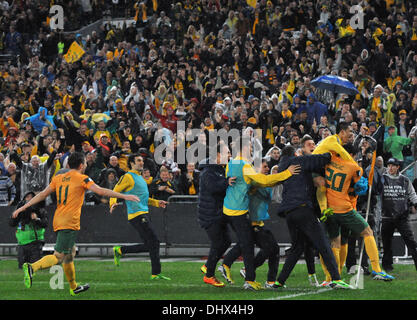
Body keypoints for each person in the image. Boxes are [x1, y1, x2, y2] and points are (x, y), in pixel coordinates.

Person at [11, 152, 140, 296]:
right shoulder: (82, 178)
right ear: (81, 165)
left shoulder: (58, 178)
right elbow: (100, 190)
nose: (85, 165)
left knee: (70, 253)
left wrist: (22, 207)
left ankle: (74, 287)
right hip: (69, 221)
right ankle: (32, 267)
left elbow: (42, 194)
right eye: (85, 163)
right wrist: (123, 195)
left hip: (58, 219)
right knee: (59, 256)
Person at [223, 136, 301, 290]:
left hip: (231, 210)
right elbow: (264, 181)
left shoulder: (231, 163)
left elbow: (233, 179)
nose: (251, 151)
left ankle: (241, 272)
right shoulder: (246, 167)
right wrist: (287, 173)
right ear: (243, 148)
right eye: (250, 148)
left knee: (251, 245)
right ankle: (246, 277)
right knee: (250, 246)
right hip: (241, 213)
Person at [274, 145, 351, 289]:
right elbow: (322, 159)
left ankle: (279, 281)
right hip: (302, 209)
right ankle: (336, 278)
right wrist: (331, 150)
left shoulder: (282, 167)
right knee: (323, 243)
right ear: (295, 154)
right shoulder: (298, 161)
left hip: (289, 213)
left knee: (297, 248)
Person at [320, 148, 395, 282]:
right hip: (344, 208)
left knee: (337, 242)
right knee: (368, 231)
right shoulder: (352, 166)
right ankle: (377, 269)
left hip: (329, 209)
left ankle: (333, 277)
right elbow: (361, 187)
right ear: (352, 155)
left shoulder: (329, 161)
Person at [220, 159, 280, 289]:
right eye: (264, 167)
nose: (267, 169)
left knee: (249, 245)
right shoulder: (252, 182)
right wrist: (277, 178)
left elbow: (266, 194)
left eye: (267, 167)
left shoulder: (259, 182)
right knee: (269, 248)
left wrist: (272, 179)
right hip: (252, 223)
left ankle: (228, 264)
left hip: (259, 222)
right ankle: (252, 274)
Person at [109, 154, 170, 280]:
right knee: (154, 242)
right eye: (138, 161)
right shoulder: (128, 177)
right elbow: (115, 190)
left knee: (151, 244)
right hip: (136, 215)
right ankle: (155, 273)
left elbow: (143, 198)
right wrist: (113, 202)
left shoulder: (140, 178)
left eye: (142, 161)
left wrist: (157, 203)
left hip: (143, 213)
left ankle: (120, 250)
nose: (141, 163)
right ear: (131, 163)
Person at [198, 142, 235, 287]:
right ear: (218, 155)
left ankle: (208, 266)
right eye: (227, 153)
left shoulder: (218, 170)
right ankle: (209, 275)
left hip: (217, 214)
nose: (230, 155)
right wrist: (227, 182)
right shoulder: (208, 172)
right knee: (218, 243)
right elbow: (213, 188)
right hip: (210, 215)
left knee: (226, 242)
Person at [380, 157, 417, 272]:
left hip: (402, 217)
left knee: (411, 241)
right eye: (389, 165)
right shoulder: (382, 179)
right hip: (386, 216)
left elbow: (412, 193)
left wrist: (416, 203)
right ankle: (387, 266)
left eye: (393, 166)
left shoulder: (405, 180)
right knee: (386, 243)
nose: (390, 168)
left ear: (398, 167)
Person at [9, 191, 48, 269]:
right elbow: (11, 223)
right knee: (22, 268)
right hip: (22, 244)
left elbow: (45, 224)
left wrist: (36, 219)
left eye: (31, 197)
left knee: (35, 267)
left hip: (35, 243)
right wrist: (15, 215)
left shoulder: (40, 210)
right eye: (27, 197)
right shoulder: (20, 211)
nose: (29, 200)